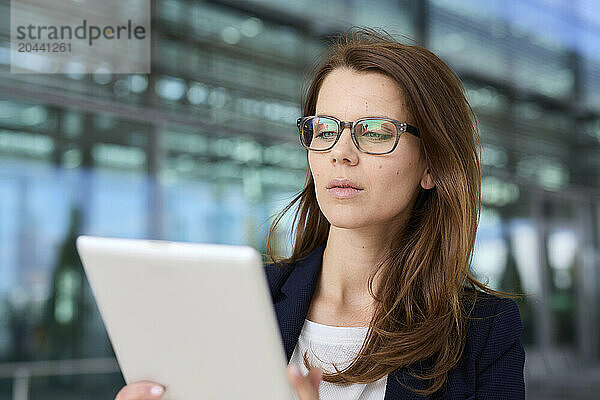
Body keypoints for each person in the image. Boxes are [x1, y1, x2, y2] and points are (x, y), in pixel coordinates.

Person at [114, 27, 525, 400]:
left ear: (432, 165)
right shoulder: (243, 298)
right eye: (325, 130)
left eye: (375, 132)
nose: (340, 153)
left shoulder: (484, 330)